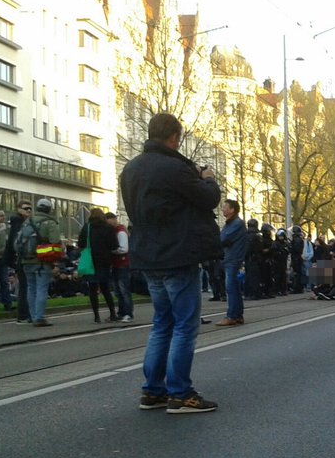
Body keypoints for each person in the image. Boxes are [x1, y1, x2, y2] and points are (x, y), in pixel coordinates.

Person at [121, 113, 221, 413]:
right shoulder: (175, 168)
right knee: (184, 325)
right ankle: (180, 392)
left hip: (148, 255)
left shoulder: (130, 169)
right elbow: (208, 199)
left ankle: (153, 390)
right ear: (174, 138)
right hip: (177, 254)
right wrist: (209, 179)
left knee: (161, 323)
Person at [17, 199, 61, 327]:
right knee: (41, 288)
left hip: (26, 260)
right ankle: (39, 317)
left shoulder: (27, 221)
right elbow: (55, 240)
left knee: (31, 288)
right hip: (42, 260)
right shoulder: (50, 222)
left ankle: (33, 316)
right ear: (49, 209)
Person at [77, 207, 118, 323]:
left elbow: (81, 243)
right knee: (105, 289)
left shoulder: (87, 227)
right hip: (104, 261)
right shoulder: (109, 228)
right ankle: (112, 313)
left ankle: (96, 316)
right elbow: (114, 246)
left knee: (92, 289)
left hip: (90, 261)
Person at [217, 200, 247, 327]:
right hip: (230, 258)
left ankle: (232, 316)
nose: (223, 209)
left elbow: (222, 238)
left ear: (232, 210)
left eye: (225, 207)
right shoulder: (231, 223)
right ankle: (238, 315)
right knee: (233, 287)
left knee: (231, 288)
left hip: (232, 259)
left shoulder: (236, 223)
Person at [4, 200, 32, 322]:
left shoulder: (22, 222)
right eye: (26, 208)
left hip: (19, 259)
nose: (29, 211)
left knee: (25, 286)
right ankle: (24, 314)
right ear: (19, 209)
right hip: (21, 259)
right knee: (26, 287)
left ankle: (23, 314)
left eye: (30, 209)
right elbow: (15, 243)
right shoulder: (18, 223)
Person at [105, 212, 134, 322]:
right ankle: (121, 312)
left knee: (123, 289)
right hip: (116, 264)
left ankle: (128, 313)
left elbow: (124, 248)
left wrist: (111, 251)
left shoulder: (120, 232)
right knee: (118, 290)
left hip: (123, 263)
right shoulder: (114, 231)